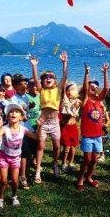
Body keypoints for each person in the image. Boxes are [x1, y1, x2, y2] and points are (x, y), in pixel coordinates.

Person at [29, 51, 68, 183]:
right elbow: (35, 79)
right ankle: (38, 170)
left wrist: (64, 63)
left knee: (57, 146)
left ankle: (55, 163)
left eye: (51, 76)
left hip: (55, 122)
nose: (48, 78)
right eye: (45, 77)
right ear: (43, 81)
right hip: (44, 123)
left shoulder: (58, 90)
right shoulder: (42, 90)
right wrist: (34, 66)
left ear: (55, 81)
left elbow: (65, 76)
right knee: (41, 146)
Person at [0, 103, 39, 209]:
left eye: (16, 112)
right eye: (11, 112)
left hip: (16, 158)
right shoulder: (4, 128)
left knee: (15, 181)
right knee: (3, 181)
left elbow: (36, 137)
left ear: (21, 117)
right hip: (4, 157)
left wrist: (40, 126)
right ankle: (0, 198)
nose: (13, 113)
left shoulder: (23, 129)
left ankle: (14, 196)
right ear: (7, 116)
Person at [76, 62, 109, 191]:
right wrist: (87, 73)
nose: (93, 88)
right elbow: (85, 88)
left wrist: (105, 73)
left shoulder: (100, 102)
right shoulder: (85, 101)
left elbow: (106, 89)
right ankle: (80, 178)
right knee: (87, 158)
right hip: (87, 137)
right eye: (91, 87)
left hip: (98, 136)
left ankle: (89, 177)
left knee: (94, 159)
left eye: (95, 87)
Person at [9, 74, 36, 190]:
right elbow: (14, 115)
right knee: (24, 154)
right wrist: (22, 116)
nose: (24, 86)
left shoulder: (25, 97)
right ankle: (22, 176)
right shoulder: (13, 99)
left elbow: (26, 112)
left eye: (25, 83)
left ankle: (26, 172)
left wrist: (30, 106)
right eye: (21, 84)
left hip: (28, 127)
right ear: (14, 86)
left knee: (31, 152)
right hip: (20, 130)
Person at [60, 82, 82, 172]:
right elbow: (63, 95)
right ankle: (64, 163)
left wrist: (77, 106)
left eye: (71, 90)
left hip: (73, 127)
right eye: (68, 90)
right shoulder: (64, 101)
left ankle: (71, 162)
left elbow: (77, 112)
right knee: (66, 147)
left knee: (73, 146)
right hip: (65, 127)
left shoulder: (77, 101)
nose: (69, 92)